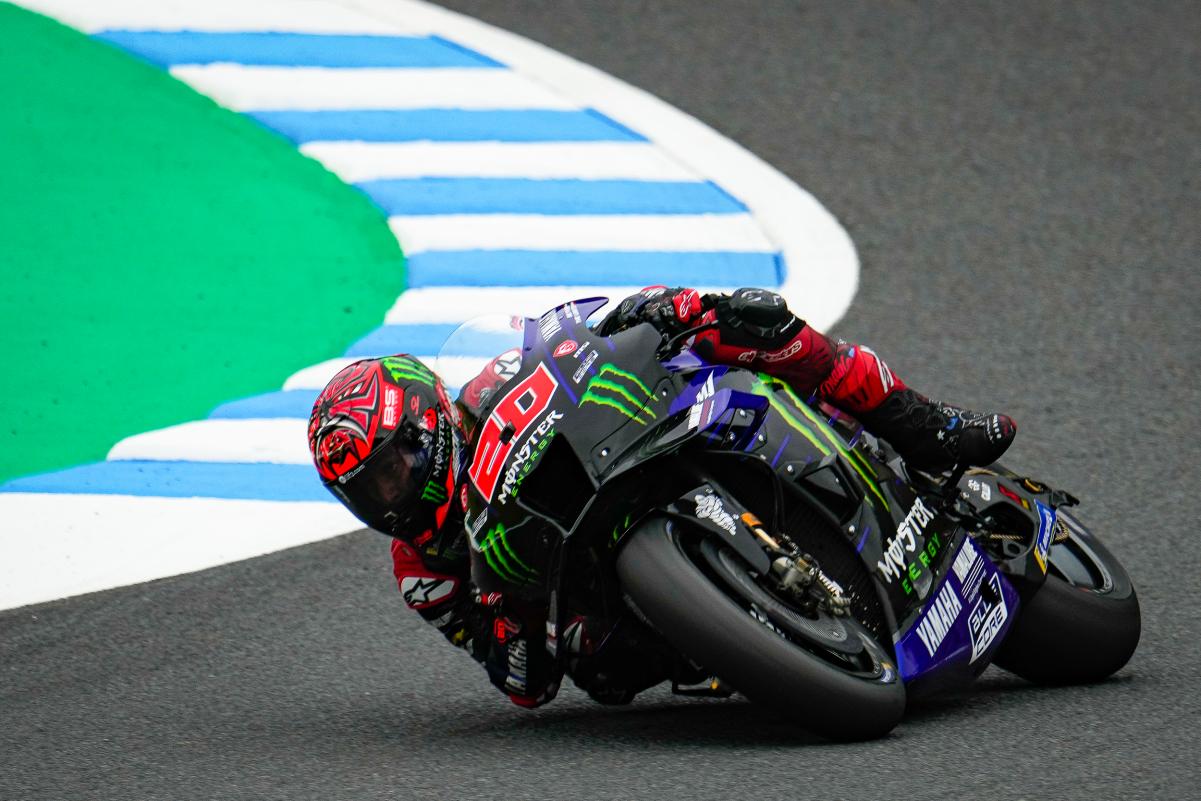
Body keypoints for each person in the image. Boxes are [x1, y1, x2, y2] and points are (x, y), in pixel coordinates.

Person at [306, 286, 1016, 708]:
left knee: (748, 321)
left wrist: (658, 312)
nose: (388, 499)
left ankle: (922, 425)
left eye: (389, 472)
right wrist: (502, 618)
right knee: (597, 665)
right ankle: (746, 643)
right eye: (366, 493)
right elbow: (523, 685)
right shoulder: (423, 571)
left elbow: (575, 339)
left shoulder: (490, 386)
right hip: (598, 592)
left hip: (630, 452)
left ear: (424, 427)